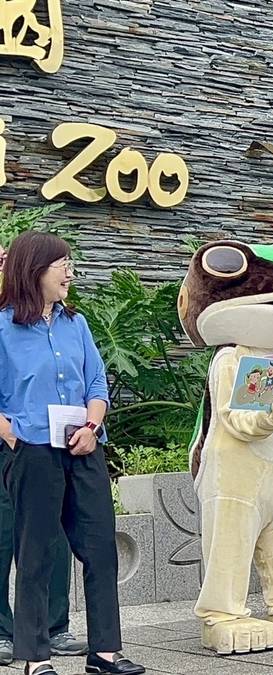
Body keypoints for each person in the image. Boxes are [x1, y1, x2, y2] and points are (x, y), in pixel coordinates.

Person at [0, 232, 145, 675]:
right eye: (61, 264)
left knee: (100, 548)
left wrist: (92, 425)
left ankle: (104, 654)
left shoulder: (75, 324)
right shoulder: (2, 326)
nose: (70, 271)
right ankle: (35, 658)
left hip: (84, 448)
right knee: (36, 553)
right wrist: (11, 435)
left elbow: (96, 384)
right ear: (33, 269)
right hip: (32, 452)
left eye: (70, 263)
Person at [0, 244, 84, 667]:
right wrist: (11, 435)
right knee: (3, 534)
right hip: (12, 445)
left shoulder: (63, 321)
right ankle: (2, 631)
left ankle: (55, 627)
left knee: (51, 533)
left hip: (48, 445)